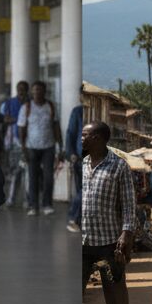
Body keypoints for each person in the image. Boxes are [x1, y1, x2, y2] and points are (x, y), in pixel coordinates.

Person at [80, 121, 136, 304]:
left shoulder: (118, 167)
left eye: (85, 135)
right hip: (81, 242)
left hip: (108, 243)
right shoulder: (80, 164)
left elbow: (129, 205)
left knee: (114, 294)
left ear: (99, 138)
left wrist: (126, 234)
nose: (81, 138)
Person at [19, 80, 61, 216]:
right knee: (33, 177)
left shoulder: (51, 106)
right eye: (35, 90)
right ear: (31, 92)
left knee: (49, 177)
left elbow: (56, 126)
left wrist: (60, 145)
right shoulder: (26, 107)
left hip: (48, 146)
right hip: (31, 147)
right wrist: (23, 148)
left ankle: (47, 204)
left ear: (44, 91)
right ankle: (33, 205)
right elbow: (22, 129)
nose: (37, 92)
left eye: (39, 89)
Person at [0, 81, 29, 207]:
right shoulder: (10, 102)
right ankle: (11, 198)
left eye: (23, 89)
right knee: (15, 170)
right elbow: (6, 119)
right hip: (15, 141)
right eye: (19, 89)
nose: (21, 91)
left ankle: (27, 199)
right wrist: (20, 120)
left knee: (27, 172)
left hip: (29, 141)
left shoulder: (31, 103)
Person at [65, 95, 84, 232]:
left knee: (85, 189)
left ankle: (75, 219)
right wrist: (70, 153)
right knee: (82, 190)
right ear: (80, 97)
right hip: (79, 158)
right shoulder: (78, 112)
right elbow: (70, 133)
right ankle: (73, 218)